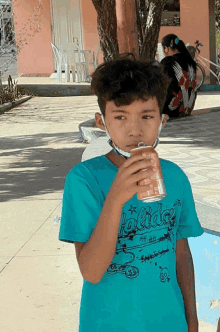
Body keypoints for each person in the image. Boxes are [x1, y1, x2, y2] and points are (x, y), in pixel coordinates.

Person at [59, 53, 204, 332]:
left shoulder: (175, 178)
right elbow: (91, 271)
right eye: (120, 116)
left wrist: (192, 319)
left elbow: (181, 252)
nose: (134, 128)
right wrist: (115, 198)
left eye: (146, 116)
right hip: (108, 323)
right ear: (102, 122)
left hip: (169, 322)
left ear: (162, 121)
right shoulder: (84, 180)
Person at [161, 34, 197, 118]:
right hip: (187, 109)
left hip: (170, 111)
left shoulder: (168, 62)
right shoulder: (191, 62)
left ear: (166, 48)